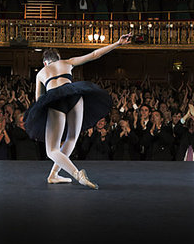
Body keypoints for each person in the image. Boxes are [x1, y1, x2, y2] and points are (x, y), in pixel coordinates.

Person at [23, 33, 132, 189]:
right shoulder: (67, 62)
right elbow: (94, 55)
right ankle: (53, 174)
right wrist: (117, 43)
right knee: (72, 138)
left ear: (45, 63)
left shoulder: (41, 73)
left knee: (51, 150)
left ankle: (77, 174)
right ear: (58, 58)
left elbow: (39, 101)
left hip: (55, 100)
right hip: (75, 95)